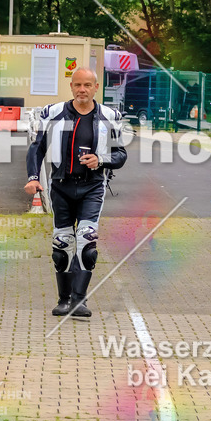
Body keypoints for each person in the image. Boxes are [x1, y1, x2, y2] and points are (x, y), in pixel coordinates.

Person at [25, 68, 127, 320]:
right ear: (71, 87)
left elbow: (121, 155)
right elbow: (36, 148)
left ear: (96, 87)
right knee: (62, 245)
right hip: (61, 185)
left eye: (87, 85)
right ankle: (63, 300)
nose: (82, 90)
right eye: (78, 85)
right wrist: (33, 178)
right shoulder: (54, 113)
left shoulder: (109, 116)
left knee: (87, 241)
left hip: (92, 186)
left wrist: (101, 160)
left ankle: (79, 301)